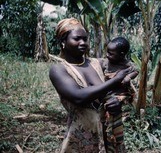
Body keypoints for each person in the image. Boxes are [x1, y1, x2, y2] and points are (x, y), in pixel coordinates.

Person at [49, 18, 136, 153]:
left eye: (85, 39)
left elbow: (126, 76)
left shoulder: (98, 63)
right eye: (77, 39)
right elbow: (79, 97)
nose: (83, 43)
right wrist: (114, 81)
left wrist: (117, 101)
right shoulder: (59, 70)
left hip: (108, 129)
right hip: (82, 133)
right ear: (63, 41)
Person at [100, 37, 139, 153]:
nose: (107, 55)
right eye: (107, 52)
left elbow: (136, 71)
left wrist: (128, 78)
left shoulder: (126, 65)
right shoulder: (106, 63)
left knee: (114, 123)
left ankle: (114, 143)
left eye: (111, 53)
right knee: (105, 122)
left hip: (119, 96)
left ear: (122, 55)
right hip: (107, 95)